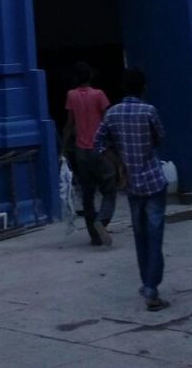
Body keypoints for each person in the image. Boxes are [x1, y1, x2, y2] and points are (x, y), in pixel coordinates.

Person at [94, 68, 169, 311]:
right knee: (155, 235)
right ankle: (151, 289)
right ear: (143, 87)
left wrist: (119, 164)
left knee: (140, 235)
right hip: (153, 180)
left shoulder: (112, 113)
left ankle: (147, 281)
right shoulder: (149, 111)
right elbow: (160, 138)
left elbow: (98, 143)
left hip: (131, 182)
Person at [61, 61, 116, 246]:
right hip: (98, 149)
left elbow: (70, 124)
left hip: (80, 151)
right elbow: (107, 123)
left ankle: (94, 235)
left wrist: (63, 148)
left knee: (87, 193)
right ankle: (103, 220)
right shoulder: (99, 95)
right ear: (91, 76)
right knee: (109, 189)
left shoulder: (71, 95)